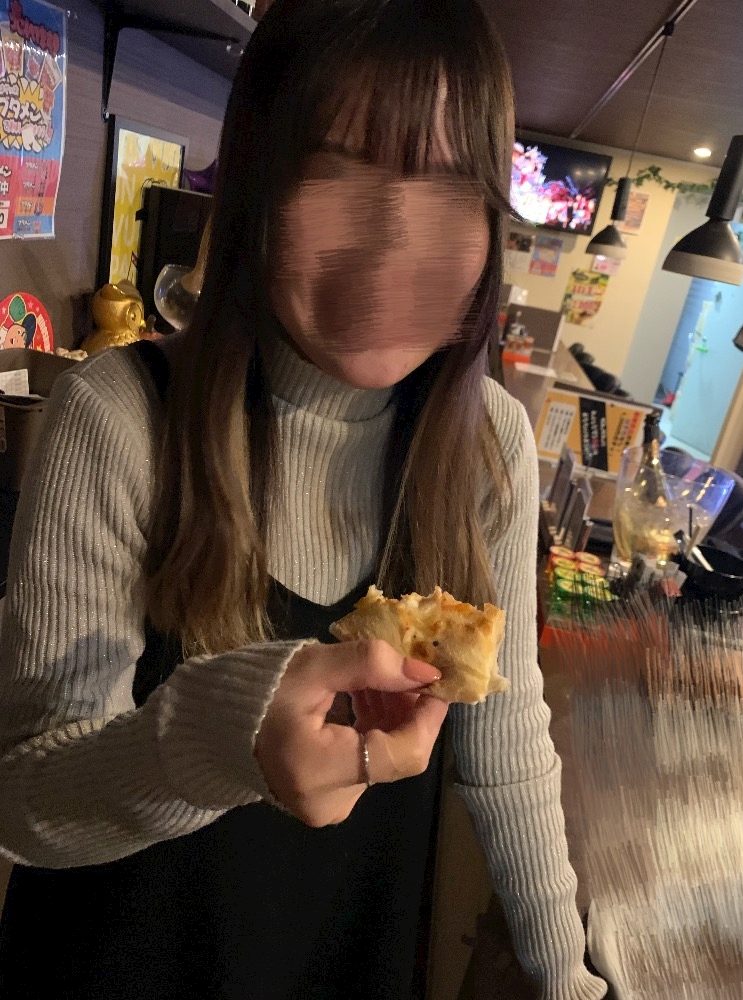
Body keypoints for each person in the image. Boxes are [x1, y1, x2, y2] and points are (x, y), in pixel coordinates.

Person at [0, 1, 607, 998]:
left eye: (448, 187)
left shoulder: (486, 442)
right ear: (256, 185)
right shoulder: (118, 415)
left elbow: (507, 749)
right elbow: (25, 798)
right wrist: (215, 744)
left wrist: (568, 981)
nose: (393, 245)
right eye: (338, 170)